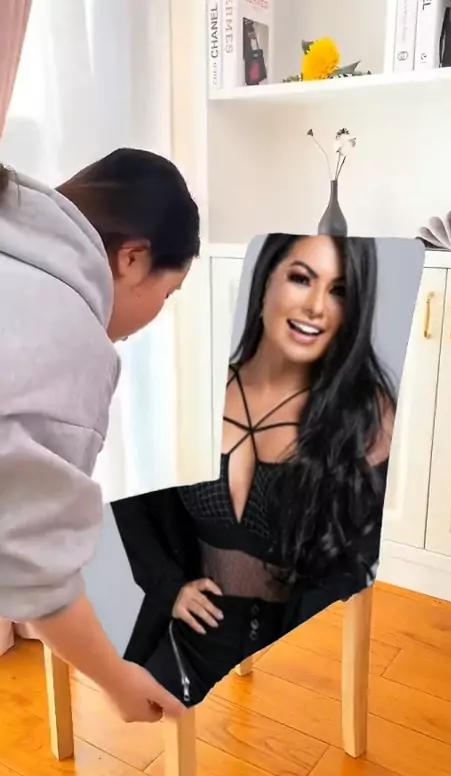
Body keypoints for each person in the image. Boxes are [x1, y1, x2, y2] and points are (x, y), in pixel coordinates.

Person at [111, 234, 396, 707]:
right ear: (266, 280)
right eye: (301, 278)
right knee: (143, 710)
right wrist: (168, 586)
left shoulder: (365, 417)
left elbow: (359, 555)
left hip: (298, 640)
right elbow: (133, 496)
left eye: (339, 290)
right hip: (192, 628)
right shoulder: (194, 389)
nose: (316, 306)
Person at [0, 147, 201, 721]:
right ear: (133, 258)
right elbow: (34, 565)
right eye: (168, 293)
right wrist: (116, 681)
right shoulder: (70, 342)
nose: (158, 314)